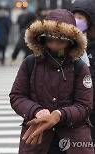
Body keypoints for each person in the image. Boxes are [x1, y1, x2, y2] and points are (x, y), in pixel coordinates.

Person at [9, 9, 94, 153]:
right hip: (37, 137)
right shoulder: (30, 63)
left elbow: (84, 106)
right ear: (41, 38)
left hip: (73, 139)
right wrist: (36, 110)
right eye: (49, 39)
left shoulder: (80, 67)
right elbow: (17, 96)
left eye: (61, 40)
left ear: (71, 41)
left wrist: (59, 115)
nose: (54, 44)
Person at [71, 0, 95, 146]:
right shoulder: (65, 44)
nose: (77, 21)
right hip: (73, 109)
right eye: (74, 16)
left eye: (81, 17)